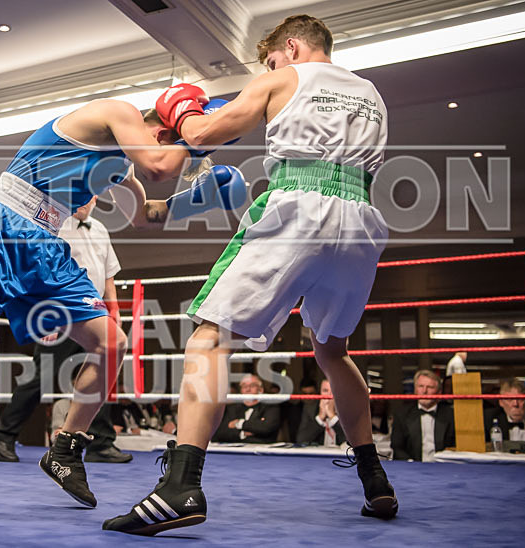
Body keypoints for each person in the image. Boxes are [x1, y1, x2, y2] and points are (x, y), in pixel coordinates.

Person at [0, 96, 245, 517]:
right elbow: (158, 166)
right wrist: (197, 139)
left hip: (47, 242)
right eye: (175, 139)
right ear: (165, 127)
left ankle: (65, 448)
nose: (172, 149)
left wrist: (199, 200)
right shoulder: (119, 113)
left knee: (111, 343)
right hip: (3, 226)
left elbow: (143, 216)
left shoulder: (123, 163)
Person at [104, 14, 397, 536]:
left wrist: (183, 107)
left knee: (208, 339)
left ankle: (181, 486)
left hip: (299, 209)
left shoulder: (284, 77)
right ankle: (375, 478)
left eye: (270, 60)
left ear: (290, 47)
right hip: (361, 221)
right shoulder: (371, 93)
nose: (269, 68)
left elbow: (201, 133)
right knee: (333, 352)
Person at [0, 196, 132, 464]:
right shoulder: (54, 223)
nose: (85, 201)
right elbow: (40, 268)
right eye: (82, 194)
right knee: (42, 376)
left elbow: (108, 274)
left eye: (92, 196)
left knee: (100, 372)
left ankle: (100, 442)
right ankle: (3, 434)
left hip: (93, 312)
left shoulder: (100, 229)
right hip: (61, 312)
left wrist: (114, 311)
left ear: (97, 198)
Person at [391, 370, 455, 461]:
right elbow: (397, 447)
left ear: (439, 392)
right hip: (412, 469)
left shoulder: (451, 415)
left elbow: (455, 448)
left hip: (444, 469)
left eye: (430, 387)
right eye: (421, 386)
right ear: (415, 390)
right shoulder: (402, 414)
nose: (424, 391)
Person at [212, 374, 280, 444]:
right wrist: (243, 434)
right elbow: (220, 433)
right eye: (244, 386)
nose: (248, 389)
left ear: (261, 390)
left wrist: (239, 423)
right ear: (241, 390)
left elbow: (266, 429)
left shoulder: (270, 407)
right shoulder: (231, 409)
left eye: (252, 385)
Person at [296, 379, 346, 446]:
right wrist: (320, 418)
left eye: (333, 391)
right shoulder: (311, 409)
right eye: (325, 391)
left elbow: (352, 443)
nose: (329, 395)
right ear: (320, 393)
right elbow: (301, 439)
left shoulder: (347, 410)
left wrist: (333, 417)